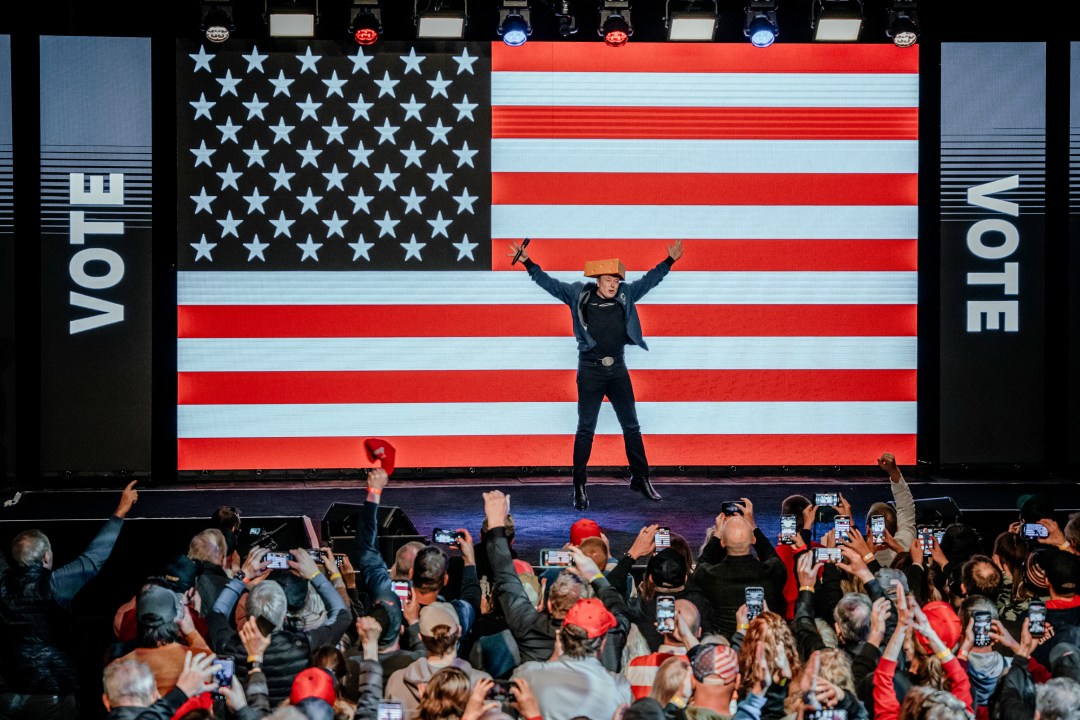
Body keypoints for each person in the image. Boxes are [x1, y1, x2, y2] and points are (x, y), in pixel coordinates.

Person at [507, 238, 685, 509]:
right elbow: (549, 284)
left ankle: (641, 478)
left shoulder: (626, 294)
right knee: (585, 430)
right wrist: (528, 262)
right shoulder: (579, 295)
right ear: (597, 280)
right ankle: (579, 485)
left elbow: (650, 281)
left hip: (618, 369)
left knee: (632, 426)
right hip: (590, 370)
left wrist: (669, 261)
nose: (613, 285)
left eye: (616, 280)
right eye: (608, 280)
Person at [0, 480, 139, 719]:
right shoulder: (55, 585)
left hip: (8, 692)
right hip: (51, 692)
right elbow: (93, 559)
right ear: (47, 557)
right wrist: (120, 512)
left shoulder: (3, 584)